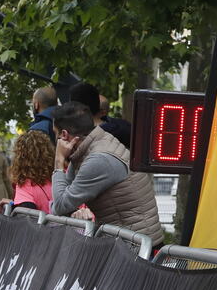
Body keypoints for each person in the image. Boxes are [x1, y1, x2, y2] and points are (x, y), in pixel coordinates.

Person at [50, 101, 164, 245]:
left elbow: (60, 206)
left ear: (64, 135)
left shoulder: (98, 159)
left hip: (136, 250)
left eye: (56, 134)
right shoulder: (95, 144)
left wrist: (59, 161)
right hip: (130, 243)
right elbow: (63, 204)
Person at [3, 130, 52, 211]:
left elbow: (26, 216)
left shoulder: (24, 185)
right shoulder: (58, 177)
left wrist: (12, 207)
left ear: (20, 156)